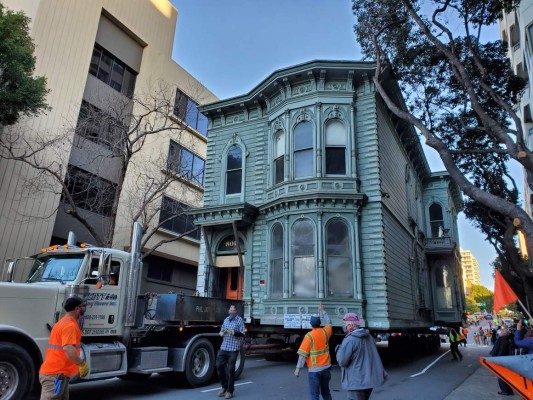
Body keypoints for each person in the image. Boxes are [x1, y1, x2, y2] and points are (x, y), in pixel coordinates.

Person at [39, 296, 89, 400]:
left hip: (59, 374)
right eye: (83, 306)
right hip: (54, 375)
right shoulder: (70, 325)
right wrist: (81, 363)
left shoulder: (63, 322)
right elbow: (68, 348)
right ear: (77, 308)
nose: (84, 308)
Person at [335, 313, 387, 400]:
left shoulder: (350, 340)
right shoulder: (369, 337)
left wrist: (339, 349)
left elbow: (342, 361)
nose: (344, 326)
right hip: (368, 381)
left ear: (350, 325)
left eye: (345, 324)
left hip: (356, 383)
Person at [294, 304, 333, 400]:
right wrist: (323, 311)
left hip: (314, 371)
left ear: (311, 324)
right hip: (326, 368)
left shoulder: (309, 336)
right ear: (319, 323)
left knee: (314, 395)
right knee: (326, 393)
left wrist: (298, 369)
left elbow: (303, 354)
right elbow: (329, 322)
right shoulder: (325, 332)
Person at [216, 305, 245, 399]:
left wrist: (233, 332)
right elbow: (222, 330)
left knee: (231, 370)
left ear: (236, 311)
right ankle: (224, 387)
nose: (232, 312)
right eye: (231, 310)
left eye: (234, 310)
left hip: (233, 349)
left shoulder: (239, 320)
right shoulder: (226, 319)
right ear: (229, 311)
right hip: (224, 347)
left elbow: (242, 333)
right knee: (219, 366)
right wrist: (221, 333)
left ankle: (230, 391)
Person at [490, 326, 514, 396]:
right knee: (505, 376)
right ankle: (508, 390)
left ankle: (505, 391)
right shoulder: (507, 339)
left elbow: (500, 350)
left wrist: (496, 359)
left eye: (500, 331)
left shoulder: (502, 339)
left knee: (501, 376)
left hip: (501, 360)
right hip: (506, 359)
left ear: (503, 333)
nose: (499, 333)